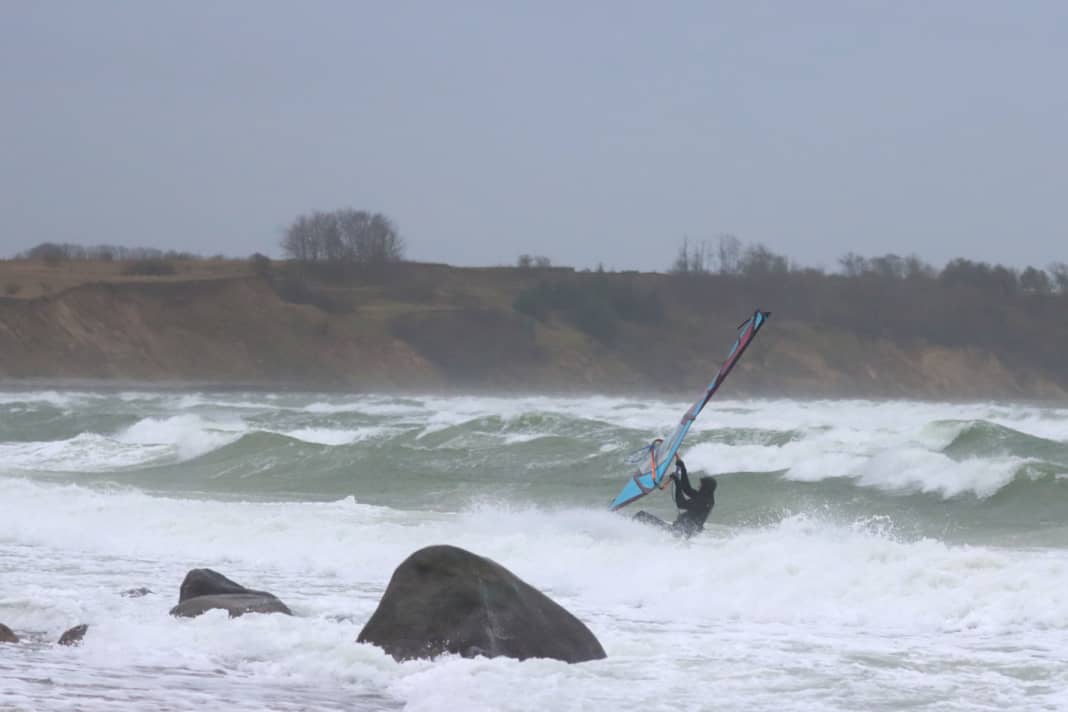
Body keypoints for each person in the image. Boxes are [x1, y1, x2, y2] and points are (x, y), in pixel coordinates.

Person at [632, 455, 717, 539]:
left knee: (641, 516)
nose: (698, 486)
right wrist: (683, 469)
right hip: (681, 531)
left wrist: (677, 482)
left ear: (705, 488)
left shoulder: (704, 502)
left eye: (700, 485)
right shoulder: (705, 496)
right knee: (642, 516)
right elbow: (687, 489)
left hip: (680, 532)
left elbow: (681, 503)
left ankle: (630, 536)